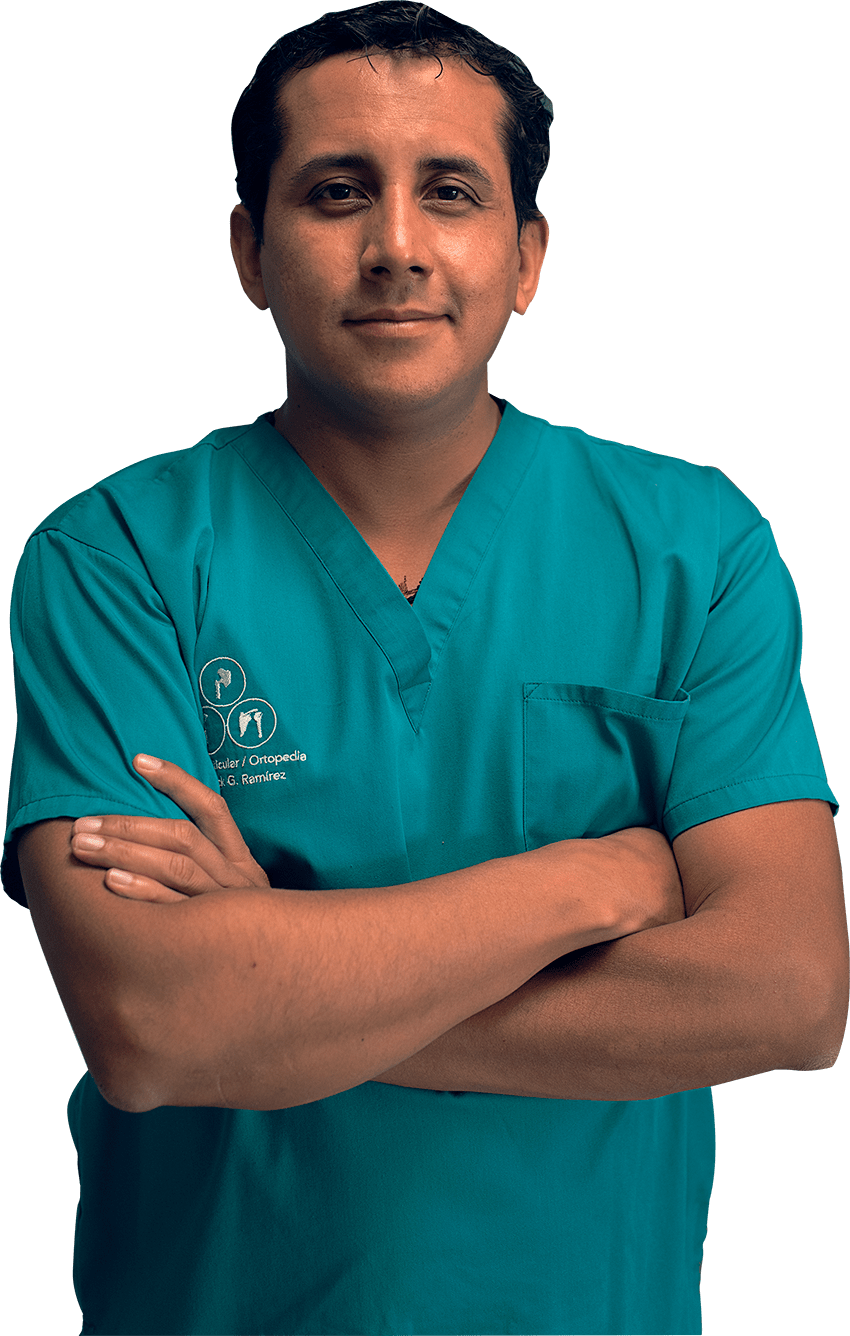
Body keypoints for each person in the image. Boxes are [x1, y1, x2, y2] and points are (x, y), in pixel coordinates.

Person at [3, 3, 847, 1334]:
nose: (395, 245)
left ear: (526, 256)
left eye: (449, 192)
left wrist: (274, 993)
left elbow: (789, 994)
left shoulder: (693, 549)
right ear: (250, 253)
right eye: (337, 193)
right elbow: (152, 1026)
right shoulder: (119, 559)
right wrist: (595, 881)